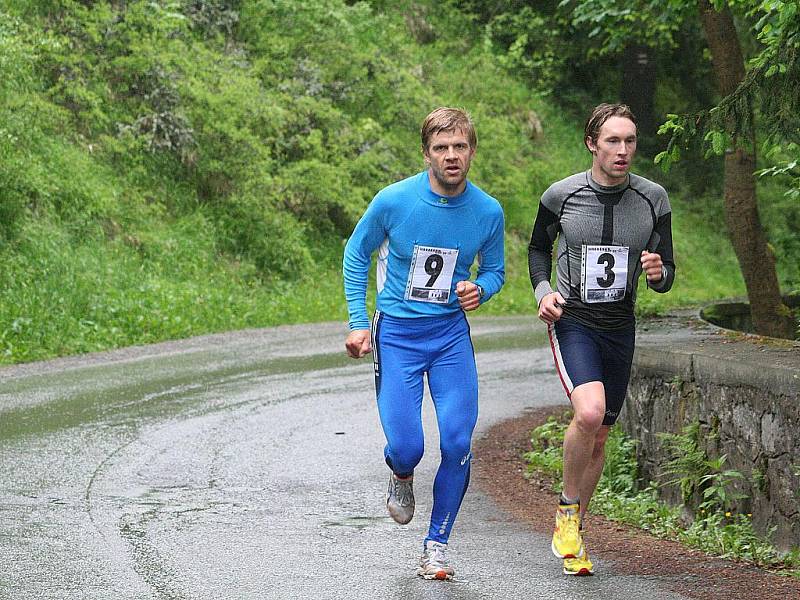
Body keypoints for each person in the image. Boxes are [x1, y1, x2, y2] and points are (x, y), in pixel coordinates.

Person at [342, 107, 504, 580]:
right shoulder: (394, 201)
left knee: (457, 439)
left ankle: (436, 546)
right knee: (407, 446)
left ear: (471, 150)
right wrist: (358, 322)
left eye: (460, 147)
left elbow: (493, 270)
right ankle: (401, 475)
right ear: (426, 153)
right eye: (441, 148)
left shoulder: (487, 211)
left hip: (451, 336)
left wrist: (483, 289)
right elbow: (357, 253)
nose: (451, 156)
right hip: (398, 335)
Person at [527, 103, 675, 576]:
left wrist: (657, 273)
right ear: (593, 143)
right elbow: (537, 250)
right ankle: (567, 511)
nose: (623, 150)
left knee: (602, 433)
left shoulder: (654, 200)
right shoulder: (561, 196)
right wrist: (544, 291)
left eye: (630, 141)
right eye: (613, 141)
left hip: (620, 324)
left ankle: (574, 537)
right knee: (588, 413)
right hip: (574, 320)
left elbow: (666, 272)